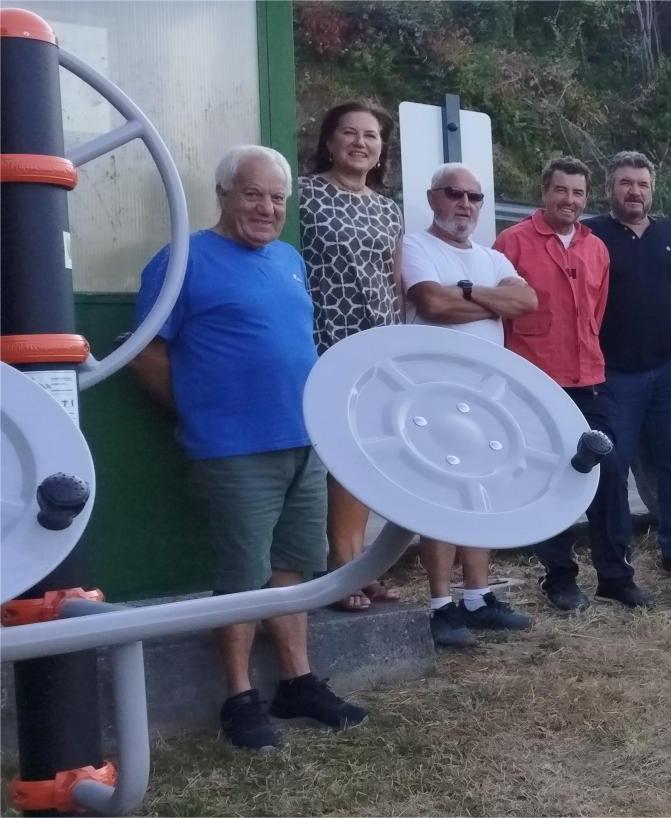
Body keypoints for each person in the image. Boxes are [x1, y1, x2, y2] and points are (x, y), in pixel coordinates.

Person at [131, 145, 367, 750]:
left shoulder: (288, 259)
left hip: (302, 440)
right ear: (224, 196)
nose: (267, 208)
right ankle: (238, 698)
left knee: (293, 568)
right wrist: (200, 409)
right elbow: (146, 353)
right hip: (233, 449)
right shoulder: (182, 261)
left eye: (277, 198)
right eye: (253, 194)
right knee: (242, 576)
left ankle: (298, 683)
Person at [494, 155, 643, 614]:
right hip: (536, 383)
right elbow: (502, 313)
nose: (570, 201)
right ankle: (558, 577)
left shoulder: (596, 248)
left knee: (610, 470)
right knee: (549, 480)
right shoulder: (512, 243)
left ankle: (615, 577)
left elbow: (595, 312)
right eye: (561, 190)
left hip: (590, 379)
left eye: (578, 193)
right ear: (545, 192)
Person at [401, 163, 539, 646]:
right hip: (433, 394)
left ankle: (478, 598)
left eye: (474, 197)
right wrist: (490, 300)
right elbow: (432, 305)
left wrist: (461, 292)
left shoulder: (491, 256)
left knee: (479, 495)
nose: (464, 204)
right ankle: (441, 605)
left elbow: (527, 302)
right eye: (453, 194)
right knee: (439, 499)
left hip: (485, 396)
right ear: (432, 198)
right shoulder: (416, 246)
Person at [299, 101, 406, 614]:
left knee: (363, 457)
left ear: (382, 150)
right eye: (349, 132)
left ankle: (357, 562)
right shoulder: (304, 195)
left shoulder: (388, 209)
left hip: (376, 344)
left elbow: (394, 280)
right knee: (333, 454)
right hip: (324, 340)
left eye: (371, 136)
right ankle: (339, 567)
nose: (360, 143)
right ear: (329, 140)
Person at [585, 150, 671, 589]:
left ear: (652, 190)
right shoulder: (591, 234)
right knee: (614, 465)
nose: (634, 191)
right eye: (625, 183)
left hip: (670, 369)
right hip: (612, 373)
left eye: (642, 184)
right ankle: (616, 561)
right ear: (609, 188)